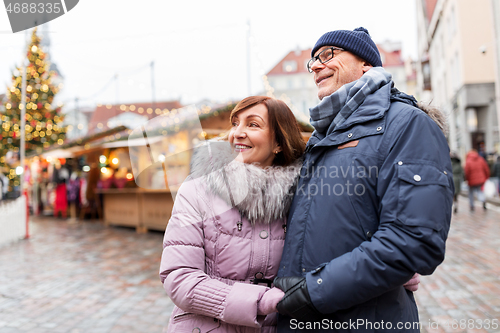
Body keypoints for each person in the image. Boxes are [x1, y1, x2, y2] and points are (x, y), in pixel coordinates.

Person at [274, 27, 453, 332]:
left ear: (366, 65)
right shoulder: (322, 137)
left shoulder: (407, 124)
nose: (316, 65)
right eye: (313, 60)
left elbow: (414, 241)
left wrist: (311, 291)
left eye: (328, 54)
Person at [159, 96, 305, 332]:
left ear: (279, 143)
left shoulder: (302, 197)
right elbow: (180, 278)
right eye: (235, 123)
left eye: (253, 124)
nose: (237, 132)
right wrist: (261, 301)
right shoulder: (197, 190)